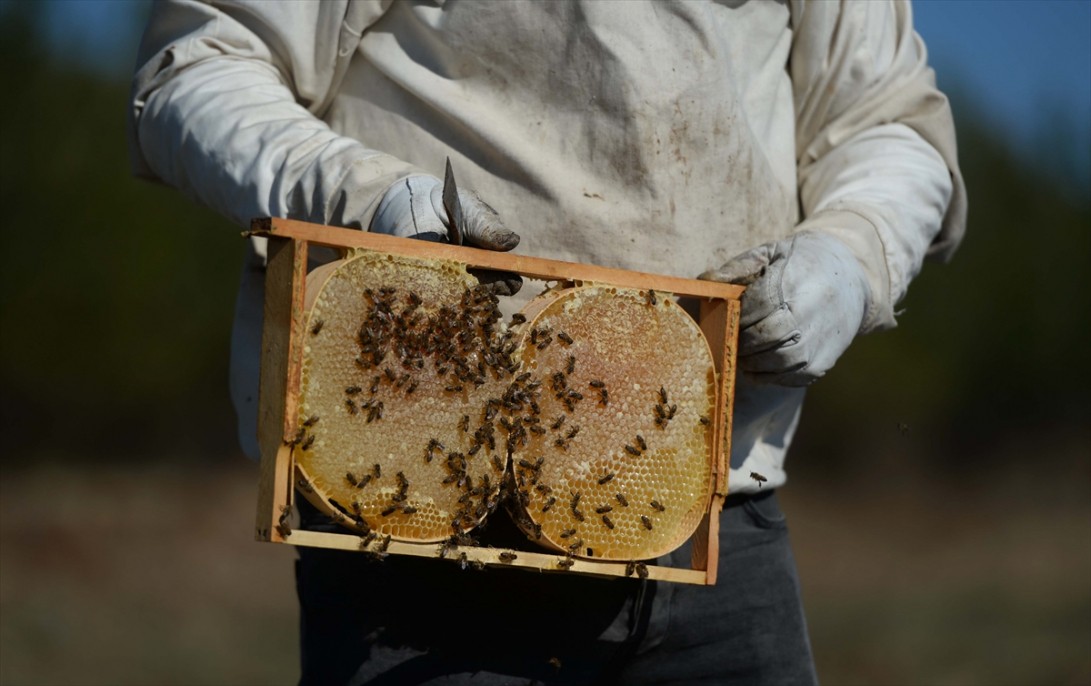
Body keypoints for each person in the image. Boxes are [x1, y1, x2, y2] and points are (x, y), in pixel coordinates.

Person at [129, 1, 965, 684]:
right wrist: (366, 199)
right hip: (417, 534)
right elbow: (198, 70)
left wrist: (853, 254)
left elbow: (883, 119)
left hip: (716, 526)